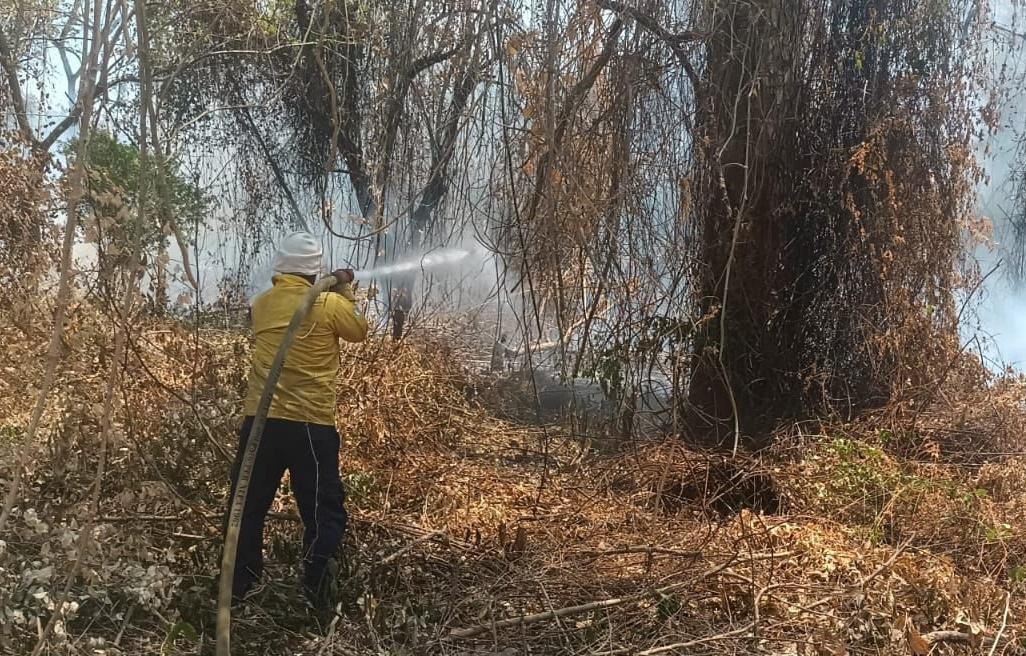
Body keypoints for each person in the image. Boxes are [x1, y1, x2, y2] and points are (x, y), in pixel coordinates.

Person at [226, 231, 368, 611]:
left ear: (280, 267)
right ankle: (318, 595)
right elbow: (359, 332)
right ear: (315, 270)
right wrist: (345, 290)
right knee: (322, 510)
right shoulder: (327, 305)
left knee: (247, 506)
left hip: (261, 422)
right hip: (310, 424)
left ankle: (240, 588)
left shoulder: (262, 303)